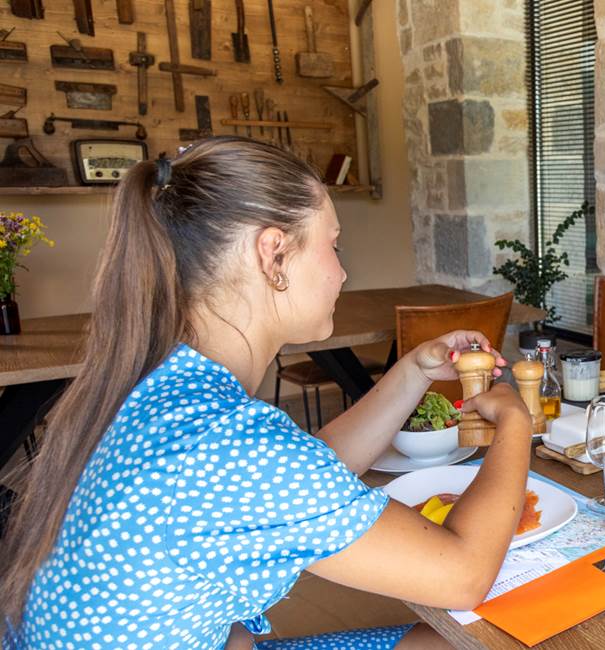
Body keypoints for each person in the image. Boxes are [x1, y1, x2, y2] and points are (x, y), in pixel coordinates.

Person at [0, 138, 535, 649]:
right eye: (333, 245)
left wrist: (416, 369)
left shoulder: (161, 382)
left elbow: (309, 468)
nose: (342, 272)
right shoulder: (227, 443)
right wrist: (514, 420)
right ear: (273, 253)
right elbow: (463, 575)